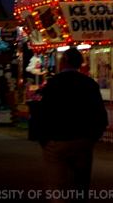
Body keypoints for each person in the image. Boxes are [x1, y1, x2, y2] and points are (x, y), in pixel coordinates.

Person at [36, 47, 108, 201]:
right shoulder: (89, 84)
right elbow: (100, 114)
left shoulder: (53, 84)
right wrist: (92, 137)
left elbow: (42, 113)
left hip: (57, 140)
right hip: (83, 140)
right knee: (80, 183)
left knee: (57, 185)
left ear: (64, 62)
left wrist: (44, 138)